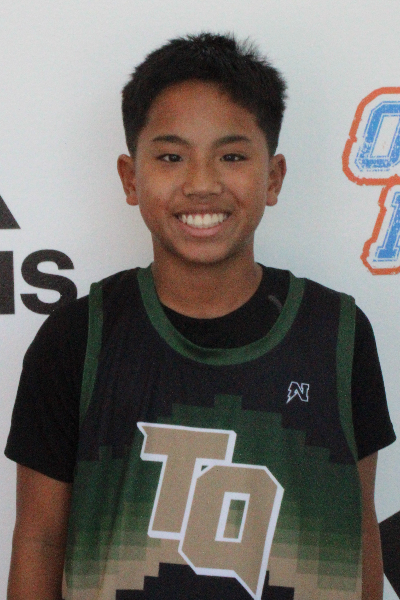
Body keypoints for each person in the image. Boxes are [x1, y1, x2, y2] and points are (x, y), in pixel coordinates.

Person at [5, 33, 396, 600]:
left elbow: (357, 531)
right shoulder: (77, 339)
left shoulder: (337, 333)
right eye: (171, 157)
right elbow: (39, 539)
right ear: (130, 178)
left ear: (274, 177)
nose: (202, 183)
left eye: (232, 156)